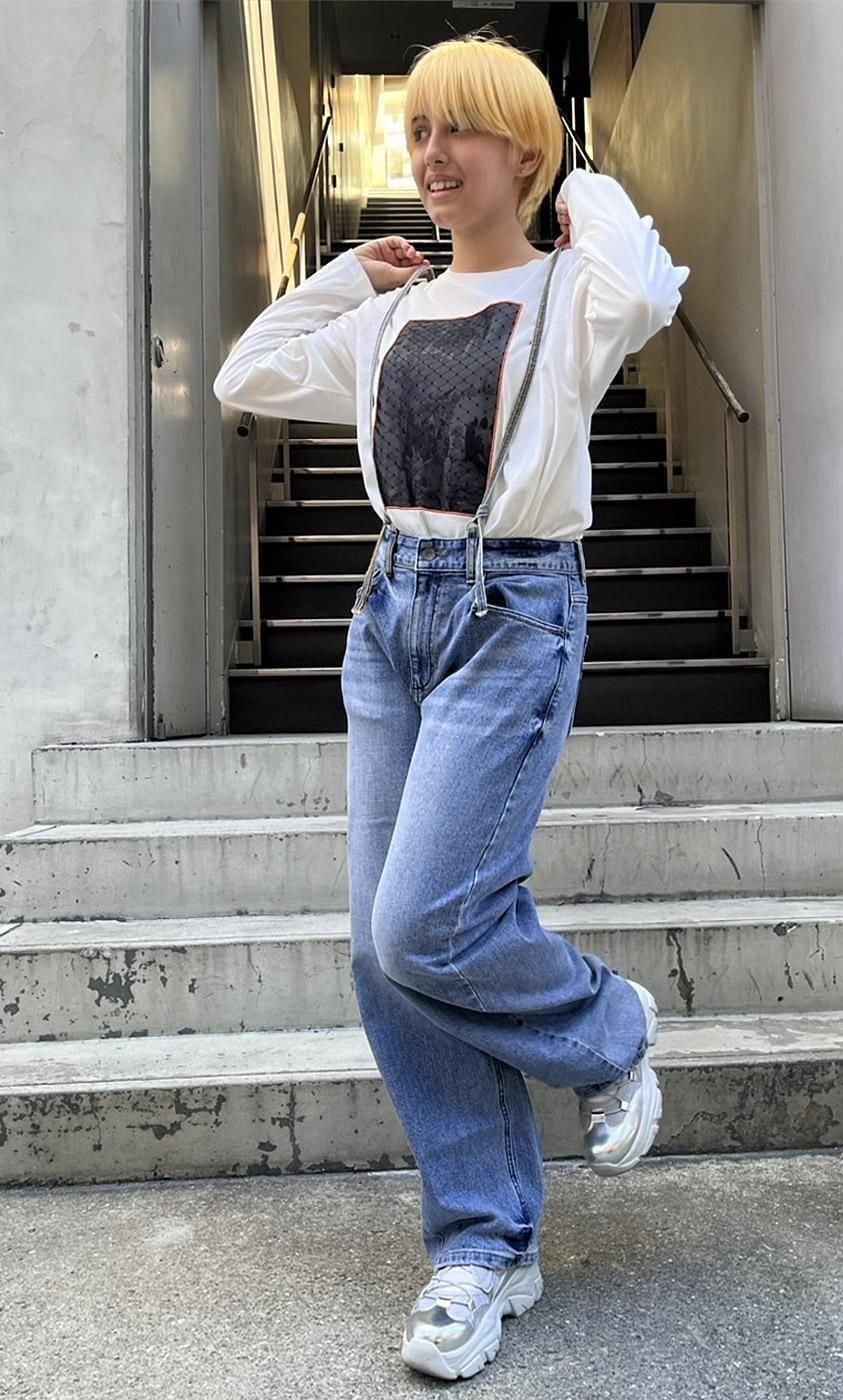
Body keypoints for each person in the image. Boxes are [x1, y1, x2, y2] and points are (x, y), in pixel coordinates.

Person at [213, 27, 689, 1383]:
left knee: (426, 918)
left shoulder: (571, 292)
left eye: (460, 128)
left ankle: (607, 1030)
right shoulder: (388, 319)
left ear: (524, 151)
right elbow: (245, 374)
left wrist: (578, 181)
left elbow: (643, 282)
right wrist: (339, 277)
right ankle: (484, 1246)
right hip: (390, 616)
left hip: (513, 611)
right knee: (385, 951)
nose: (430, 154)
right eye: (418, 130)